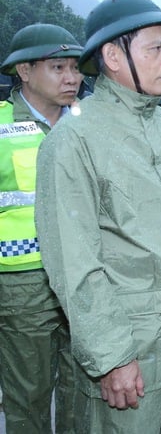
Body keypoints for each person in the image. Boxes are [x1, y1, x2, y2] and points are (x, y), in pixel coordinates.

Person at [34, 0, 161, 433]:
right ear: (113, 57)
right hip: (132, 356)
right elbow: (75, 264)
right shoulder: (73, 141)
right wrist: (112, 355)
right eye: (154, 49)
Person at [0, 23, 82, 433]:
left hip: (85, 276)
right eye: (57, 67)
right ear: (24, 71)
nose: (71, 78)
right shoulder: (0, 128)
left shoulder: (89, 126)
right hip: (23, 285)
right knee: (27, 396)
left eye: (75, 67)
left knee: (83, 393)